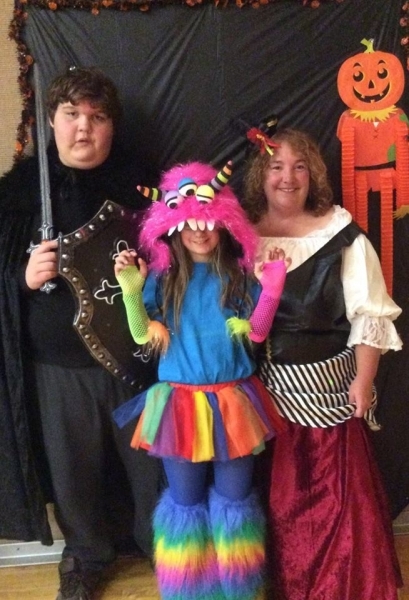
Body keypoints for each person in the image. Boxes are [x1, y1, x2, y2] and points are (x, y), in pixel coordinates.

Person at [0, 66, 162, 600]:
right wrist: (20, 278)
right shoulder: (20, 193)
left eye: (97, 117)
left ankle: (164, 547)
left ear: (113, 125)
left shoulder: (144, 188)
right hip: (56, 369)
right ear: (52, 120)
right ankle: (86, 555)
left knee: (151, 469)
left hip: (136, 360)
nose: (83, 127)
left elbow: (183, 264)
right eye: (71, 114)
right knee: (73, 474)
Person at [112, 160, 289, 600]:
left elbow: (258, 332)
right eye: (189, 223)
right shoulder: (163, 279)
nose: (198, 231)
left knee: (235, 501)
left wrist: (271, 291)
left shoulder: (237, 276)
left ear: (224, 223)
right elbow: (141, 334)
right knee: (185, 502)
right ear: (172, 227)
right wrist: (131, 291)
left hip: (234, 403)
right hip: (180, 406)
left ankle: (239, 590)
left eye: (207, 222)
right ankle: (189, 591)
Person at [242, 128, 404, 600]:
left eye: (300, 167)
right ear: (261, 174)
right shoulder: (238, 236)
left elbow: (369, 314)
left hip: (329, 396)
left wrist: (363, 382)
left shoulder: (341, 234)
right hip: (263, 399)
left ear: (313, 175)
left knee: (337, 506)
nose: (288, 177)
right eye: (276, 166)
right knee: (276, 504)